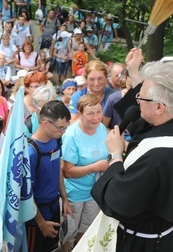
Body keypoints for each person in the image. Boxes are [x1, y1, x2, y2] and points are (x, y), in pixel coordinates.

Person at [90, 53, 173, 251]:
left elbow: (117, 200)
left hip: (146, 244)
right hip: (168, 235)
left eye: (140, 97)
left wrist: (115, 155)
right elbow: (146, 121)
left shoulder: (158, 158)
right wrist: (134, 72)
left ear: (160, 107)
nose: (136, 100)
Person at [61, 94, 109, 246]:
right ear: (80, 114)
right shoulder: (71, 136)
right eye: (90, 113)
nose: (96, 118)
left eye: (99, 112)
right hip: (75, 193)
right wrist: (95, 167)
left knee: (87, 231)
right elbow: (67, 171)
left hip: (95, 192)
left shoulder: (101, 128)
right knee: (69, 235)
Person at [26, 100, 71, 252]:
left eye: (66, 127)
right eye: (60, 128)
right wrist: (40, 222)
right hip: (36, 218)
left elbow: (57, 168)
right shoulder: (31, 152)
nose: (63, 131)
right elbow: (26, 193)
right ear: (45, 123)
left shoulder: (56, 140)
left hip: (54, 209)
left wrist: (65, 199)